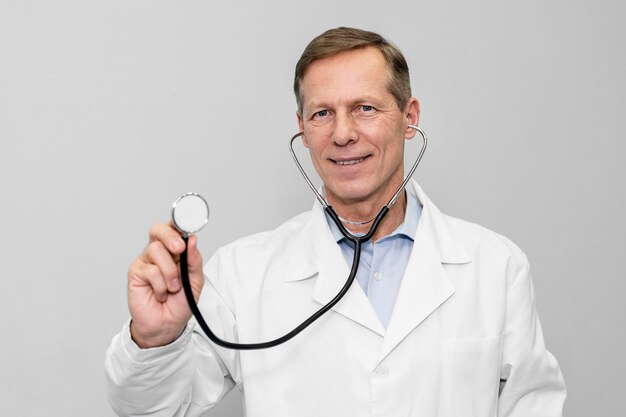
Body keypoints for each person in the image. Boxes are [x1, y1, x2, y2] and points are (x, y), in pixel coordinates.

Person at [105, 27, 566, 416]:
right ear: (303, 129)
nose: (343, 134)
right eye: (323, 113)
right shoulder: (243, 273)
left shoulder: (496, 266)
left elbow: (534, 406)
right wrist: (155, 337)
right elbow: (154, 406)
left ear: (409, 117)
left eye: (365, 108)